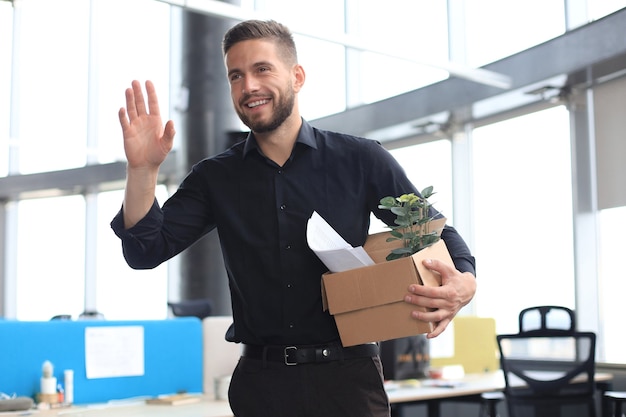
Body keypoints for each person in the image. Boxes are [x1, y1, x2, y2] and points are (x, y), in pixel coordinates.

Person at [111, 19, 477, 417]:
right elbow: (144, 250)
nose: (248, 85)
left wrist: (465, 281)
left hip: (349, 382)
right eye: (236, 76)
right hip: (262, 385)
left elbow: (431, 229)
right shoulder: (214, 178)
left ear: (297, 76)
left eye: (262, 69)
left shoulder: (360, 159)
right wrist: (143, 172)